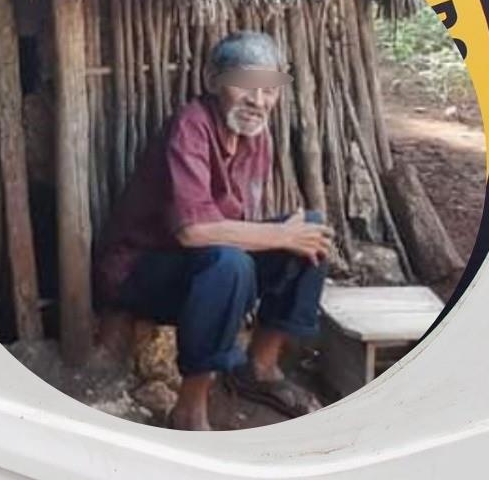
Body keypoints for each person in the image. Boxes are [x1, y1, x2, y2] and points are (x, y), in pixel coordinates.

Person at [94, 30, 333, 431]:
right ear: (212, 81)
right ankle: (189, 407)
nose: (259, 101)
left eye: (270, 89)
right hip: (141, 274)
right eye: (245, 85)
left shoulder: (256, 136)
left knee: (311, 232)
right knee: (230, 262)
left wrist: (287, 239)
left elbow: (238, 224)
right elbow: (193, 232)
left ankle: (259, 367)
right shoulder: (190, 126)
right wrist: (278, 238)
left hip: (203, 266)